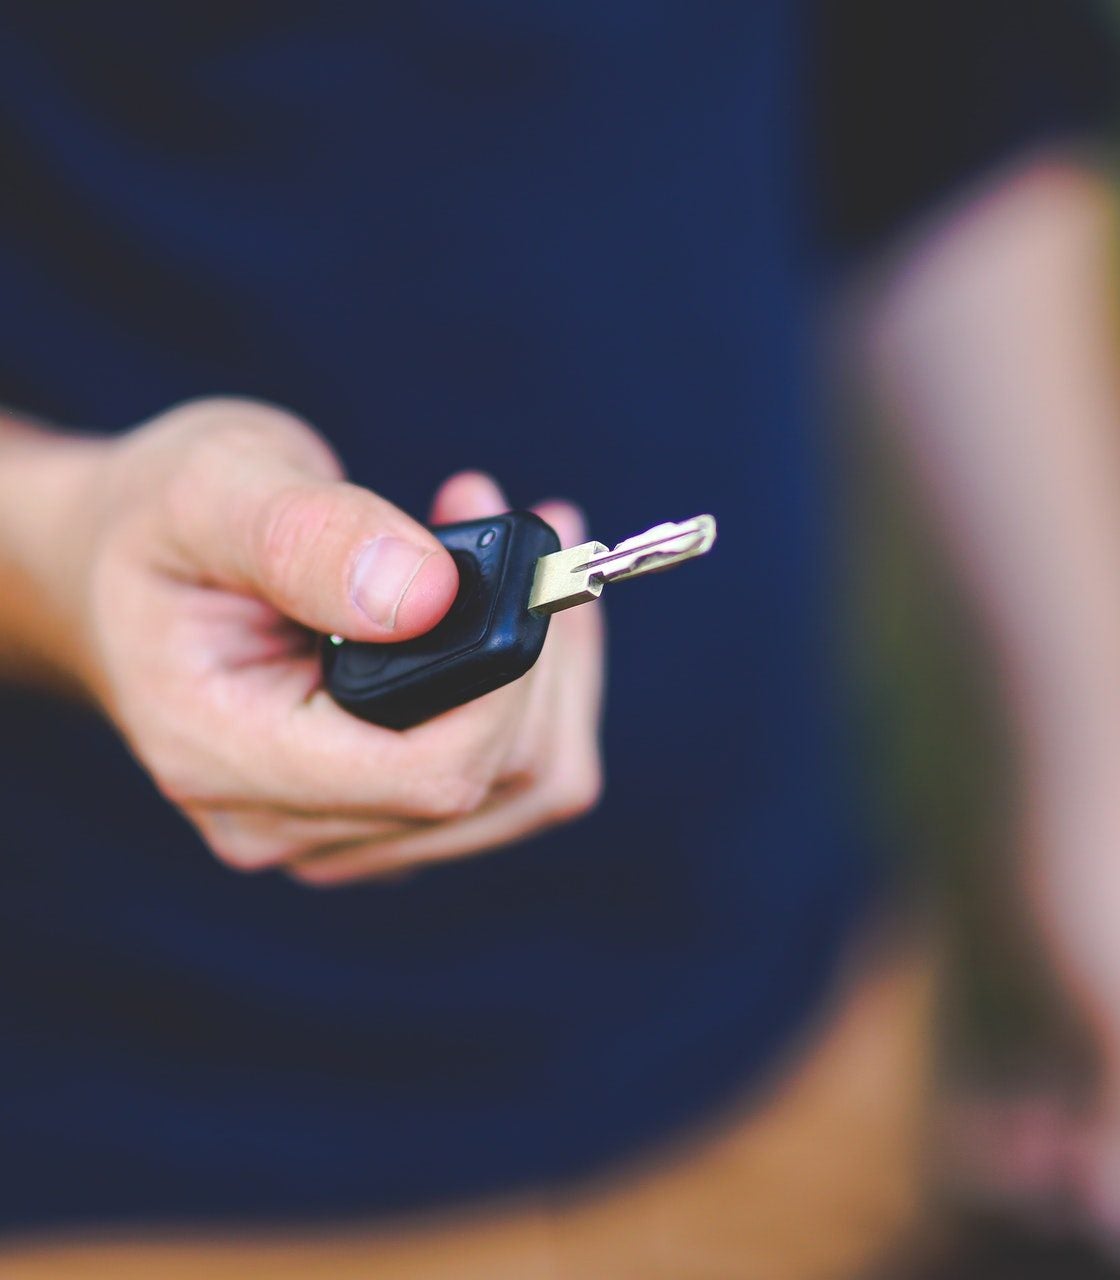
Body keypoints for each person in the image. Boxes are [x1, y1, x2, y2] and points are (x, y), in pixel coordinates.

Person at [0, 3, 1117, 1275]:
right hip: (150, 1162)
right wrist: (61, 542)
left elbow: (929, 66)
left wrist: (1096, 761)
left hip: (794, 1036)